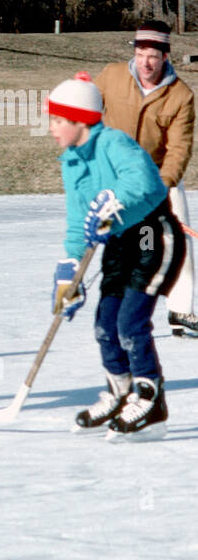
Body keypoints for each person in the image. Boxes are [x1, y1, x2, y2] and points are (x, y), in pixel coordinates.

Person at [47, 73, 184, 439]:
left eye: (59, 121)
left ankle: (150, 398)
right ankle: (120, 391)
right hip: (120, 246)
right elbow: (79, 225)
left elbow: (148, 185)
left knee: (130, 323)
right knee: (105, 325)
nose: (52, 129)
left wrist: (115, 204)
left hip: (149, 236)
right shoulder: (72, 163)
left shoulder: (114, 144)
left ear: (81, 121)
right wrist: (69, 274)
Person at [95, 20, 197, 336]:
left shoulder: (180, 95)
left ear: (165, 56)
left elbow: (179, 147)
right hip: (115, 174)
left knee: (171, 236)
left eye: (153, 54)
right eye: (141, 53)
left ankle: (181, 309)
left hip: (158, 175)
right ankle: (120, 309)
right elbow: (87, 110)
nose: (146, 62)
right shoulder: (111, 77)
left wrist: (162, 186)